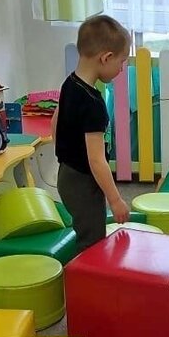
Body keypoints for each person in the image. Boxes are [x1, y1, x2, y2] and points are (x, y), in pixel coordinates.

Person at [50, 14, 132, 253]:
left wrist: (66, 155)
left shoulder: (70, 84)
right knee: (92, 239)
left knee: (84, 228)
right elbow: (96, 161)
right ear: (106, 58)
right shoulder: (93, 103)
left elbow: (55, 123)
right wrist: (115, 200)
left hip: (67, 174)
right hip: (83, 182)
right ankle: (85, 275)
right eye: (121, 62)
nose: (121, 69)